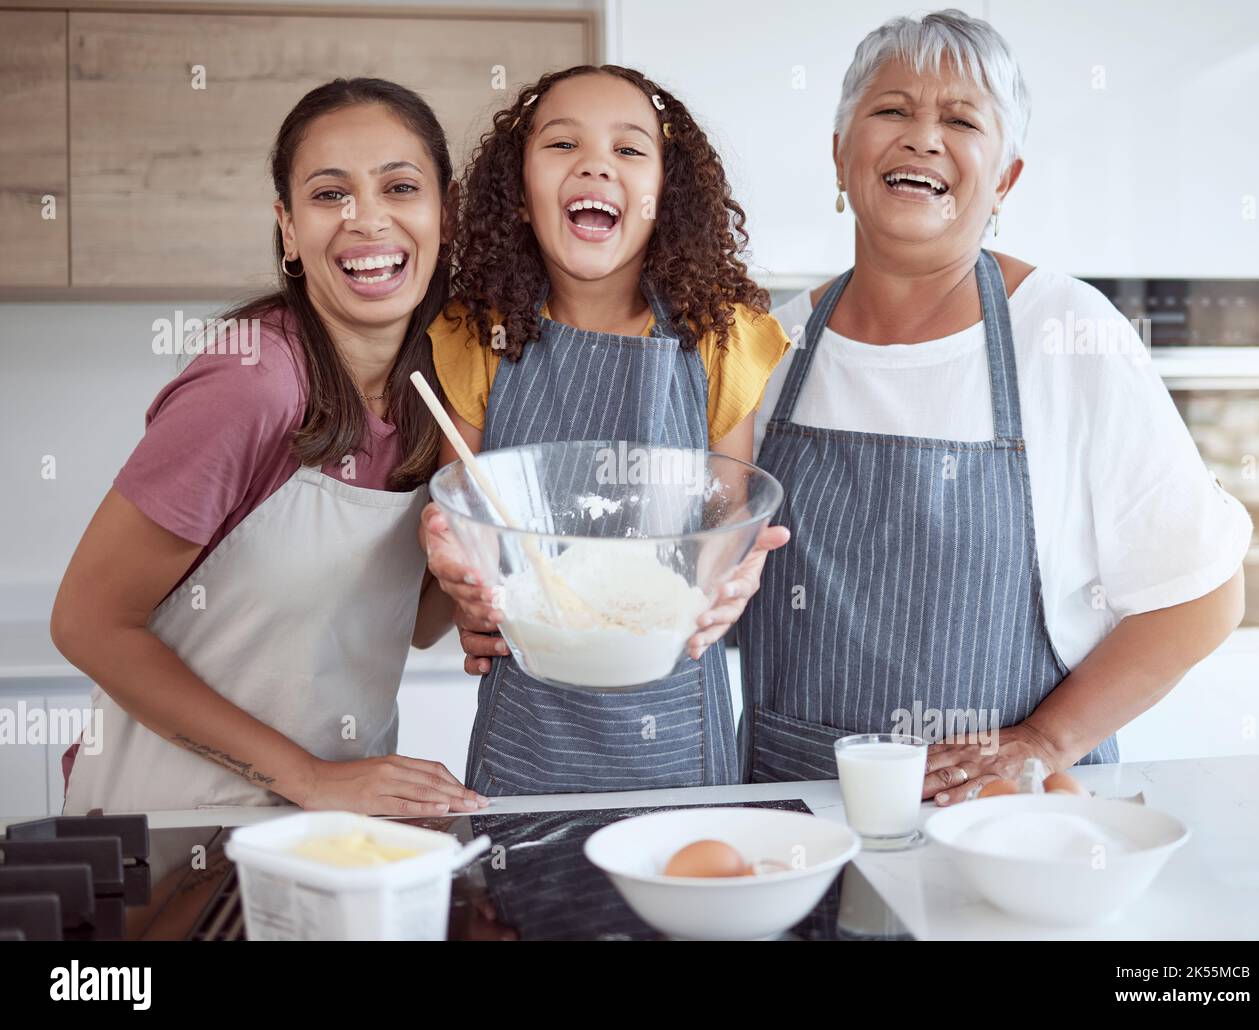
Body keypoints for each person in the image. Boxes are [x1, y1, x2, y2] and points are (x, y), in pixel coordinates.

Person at [738, 10, 1251, 803]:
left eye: (960, 119)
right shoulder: (771, 347)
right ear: (841, 157)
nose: (922, 137)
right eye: (891, 110)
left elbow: (1204, 596)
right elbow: (703, 583)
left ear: (1005, 178)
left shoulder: (1066, 333)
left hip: (1003, 823)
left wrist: (1044, 741)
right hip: (795, 821)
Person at [55, 79, 485, 816]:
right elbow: (87, 622)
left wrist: (473, 576)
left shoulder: (444, 391)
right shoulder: (253, 385)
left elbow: (411, 624)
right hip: (171, 823)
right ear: (288, 229)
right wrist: (312, 779)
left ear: (444, 214)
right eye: (328, 195)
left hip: (332, 823)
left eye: (400, 186)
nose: (367, 219)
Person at [423, 65, 791, 795]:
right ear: (520, 194)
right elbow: (459, 522)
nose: (596, 162)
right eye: (563, 144)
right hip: (527, 722)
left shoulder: (723, 340)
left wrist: (735, 575)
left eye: (629, 149)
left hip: (675, 728)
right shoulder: (477, 334)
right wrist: (453, 574)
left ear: (667, 197)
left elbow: (720, 532)